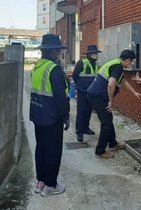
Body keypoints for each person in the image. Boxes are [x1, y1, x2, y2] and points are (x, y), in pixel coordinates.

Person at [30, 34, 70, 197]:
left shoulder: (37, 66)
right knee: (53, 151)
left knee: (41, 148)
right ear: (54, 51)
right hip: (52, 117)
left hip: (38, 114)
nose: (60, 53)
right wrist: (65, 116)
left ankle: (40, 181)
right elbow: (60, 97)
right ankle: (51, 185)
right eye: (59, 50)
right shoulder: (54, 69)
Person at [87, 49, 141, 159]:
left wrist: (134, 92)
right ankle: (100, 151)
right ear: (127, 60)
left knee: (108, 119)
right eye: (130, 62)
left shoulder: (115, 63)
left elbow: (123, 81)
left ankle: (112, 143)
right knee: (106, 124)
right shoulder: (117, 67)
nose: (130, 64)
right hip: (98, 96)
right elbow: (111, 85)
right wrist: (110, 101)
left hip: (96, 94)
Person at [73, 45, 101, 142]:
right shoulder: (81, 62)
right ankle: (79, 131)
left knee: (88, 110)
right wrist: (80, 85)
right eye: (94, 53)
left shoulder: (96, 63)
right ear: (89, 54)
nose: (96, 55)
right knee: (81, 111)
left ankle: (86, 128)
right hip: (82, 90)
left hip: (91, 91)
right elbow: (75, 75)